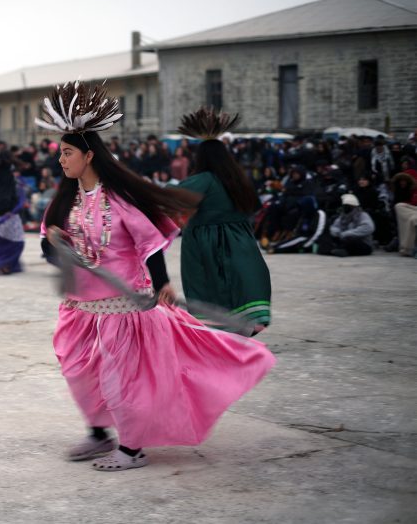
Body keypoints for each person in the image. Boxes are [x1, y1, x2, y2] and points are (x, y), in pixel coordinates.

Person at [36, 82, 275, 472]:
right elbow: (47, 246)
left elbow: (149, 244)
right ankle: (98, 433)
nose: (60, 160)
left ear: (89, 154)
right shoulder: (65, 199)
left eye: (67, 152)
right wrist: (58, 248)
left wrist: (160, 283)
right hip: (79, 304)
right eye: (60, 152)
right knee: (77, 368)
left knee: (121, 377)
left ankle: (132, 449)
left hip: (124, 303)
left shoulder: (120, 199)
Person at [176, 108, 272, 333]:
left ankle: (218, 327)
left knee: (211, 286)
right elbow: (254, 205)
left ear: (200, 158)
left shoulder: (203, 180)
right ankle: (247, 322)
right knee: (245, 279)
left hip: (207, 241)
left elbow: (171, 197)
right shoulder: (237, 179)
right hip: (240, 239)